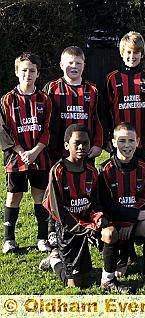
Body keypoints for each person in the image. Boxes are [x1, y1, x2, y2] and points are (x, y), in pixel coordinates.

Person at [39, 124, 129, 293]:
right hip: (68, 228)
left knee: (110, 232)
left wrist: (98, 217)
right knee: (77, 283)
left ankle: (108, 280)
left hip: (88, 223)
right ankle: (54, 260)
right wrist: (81, 227)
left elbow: (95, 202)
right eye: (77, 143)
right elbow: (57, 209)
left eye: (85, 143)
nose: (82, 147)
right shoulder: (58, 171)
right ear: (67, 146)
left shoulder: (92, 171)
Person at [98, 122, 145, 286]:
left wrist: (132, 220)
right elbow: (105, 206)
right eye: (122, 141)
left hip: (134, 224)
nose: (127, 146)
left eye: (131, 141)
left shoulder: (144, 167)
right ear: (113, 142)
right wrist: (133, 216)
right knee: (120, 270)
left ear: (138, 142)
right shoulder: (104, 170)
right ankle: (109, 277)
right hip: (113, 225)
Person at [0, 52, 52, 253]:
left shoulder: (44, 100)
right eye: (24, 70)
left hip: (39, 157)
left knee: (39, 195)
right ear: (16, 72)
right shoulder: (6, 100)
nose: (27, 75)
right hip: (16, 157)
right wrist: (23, 152)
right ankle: (8, 240)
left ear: (38, 74)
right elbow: (4, 131)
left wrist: (35, 151)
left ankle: (42, 238)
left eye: (32, 71)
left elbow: (48, 129)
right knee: (14, 196)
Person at [104, 31, 145, 160]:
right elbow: (106, 111)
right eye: (128, 52)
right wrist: (107, 137)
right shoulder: (112, 79)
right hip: (121, 140)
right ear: (122, 53)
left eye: (136, 52)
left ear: (142, 54)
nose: (132, 56)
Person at [44, 46, 104, 163]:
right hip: (56, 150)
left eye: (78, 63)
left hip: (86, 150)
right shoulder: (51, 88)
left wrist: (98, 144)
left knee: (84, 180)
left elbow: (100, 120)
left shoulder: (93, 90)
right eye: (70, 63)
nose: (74, 66)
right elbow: (44, 118)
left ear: (84, 66)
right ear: (61, 65)